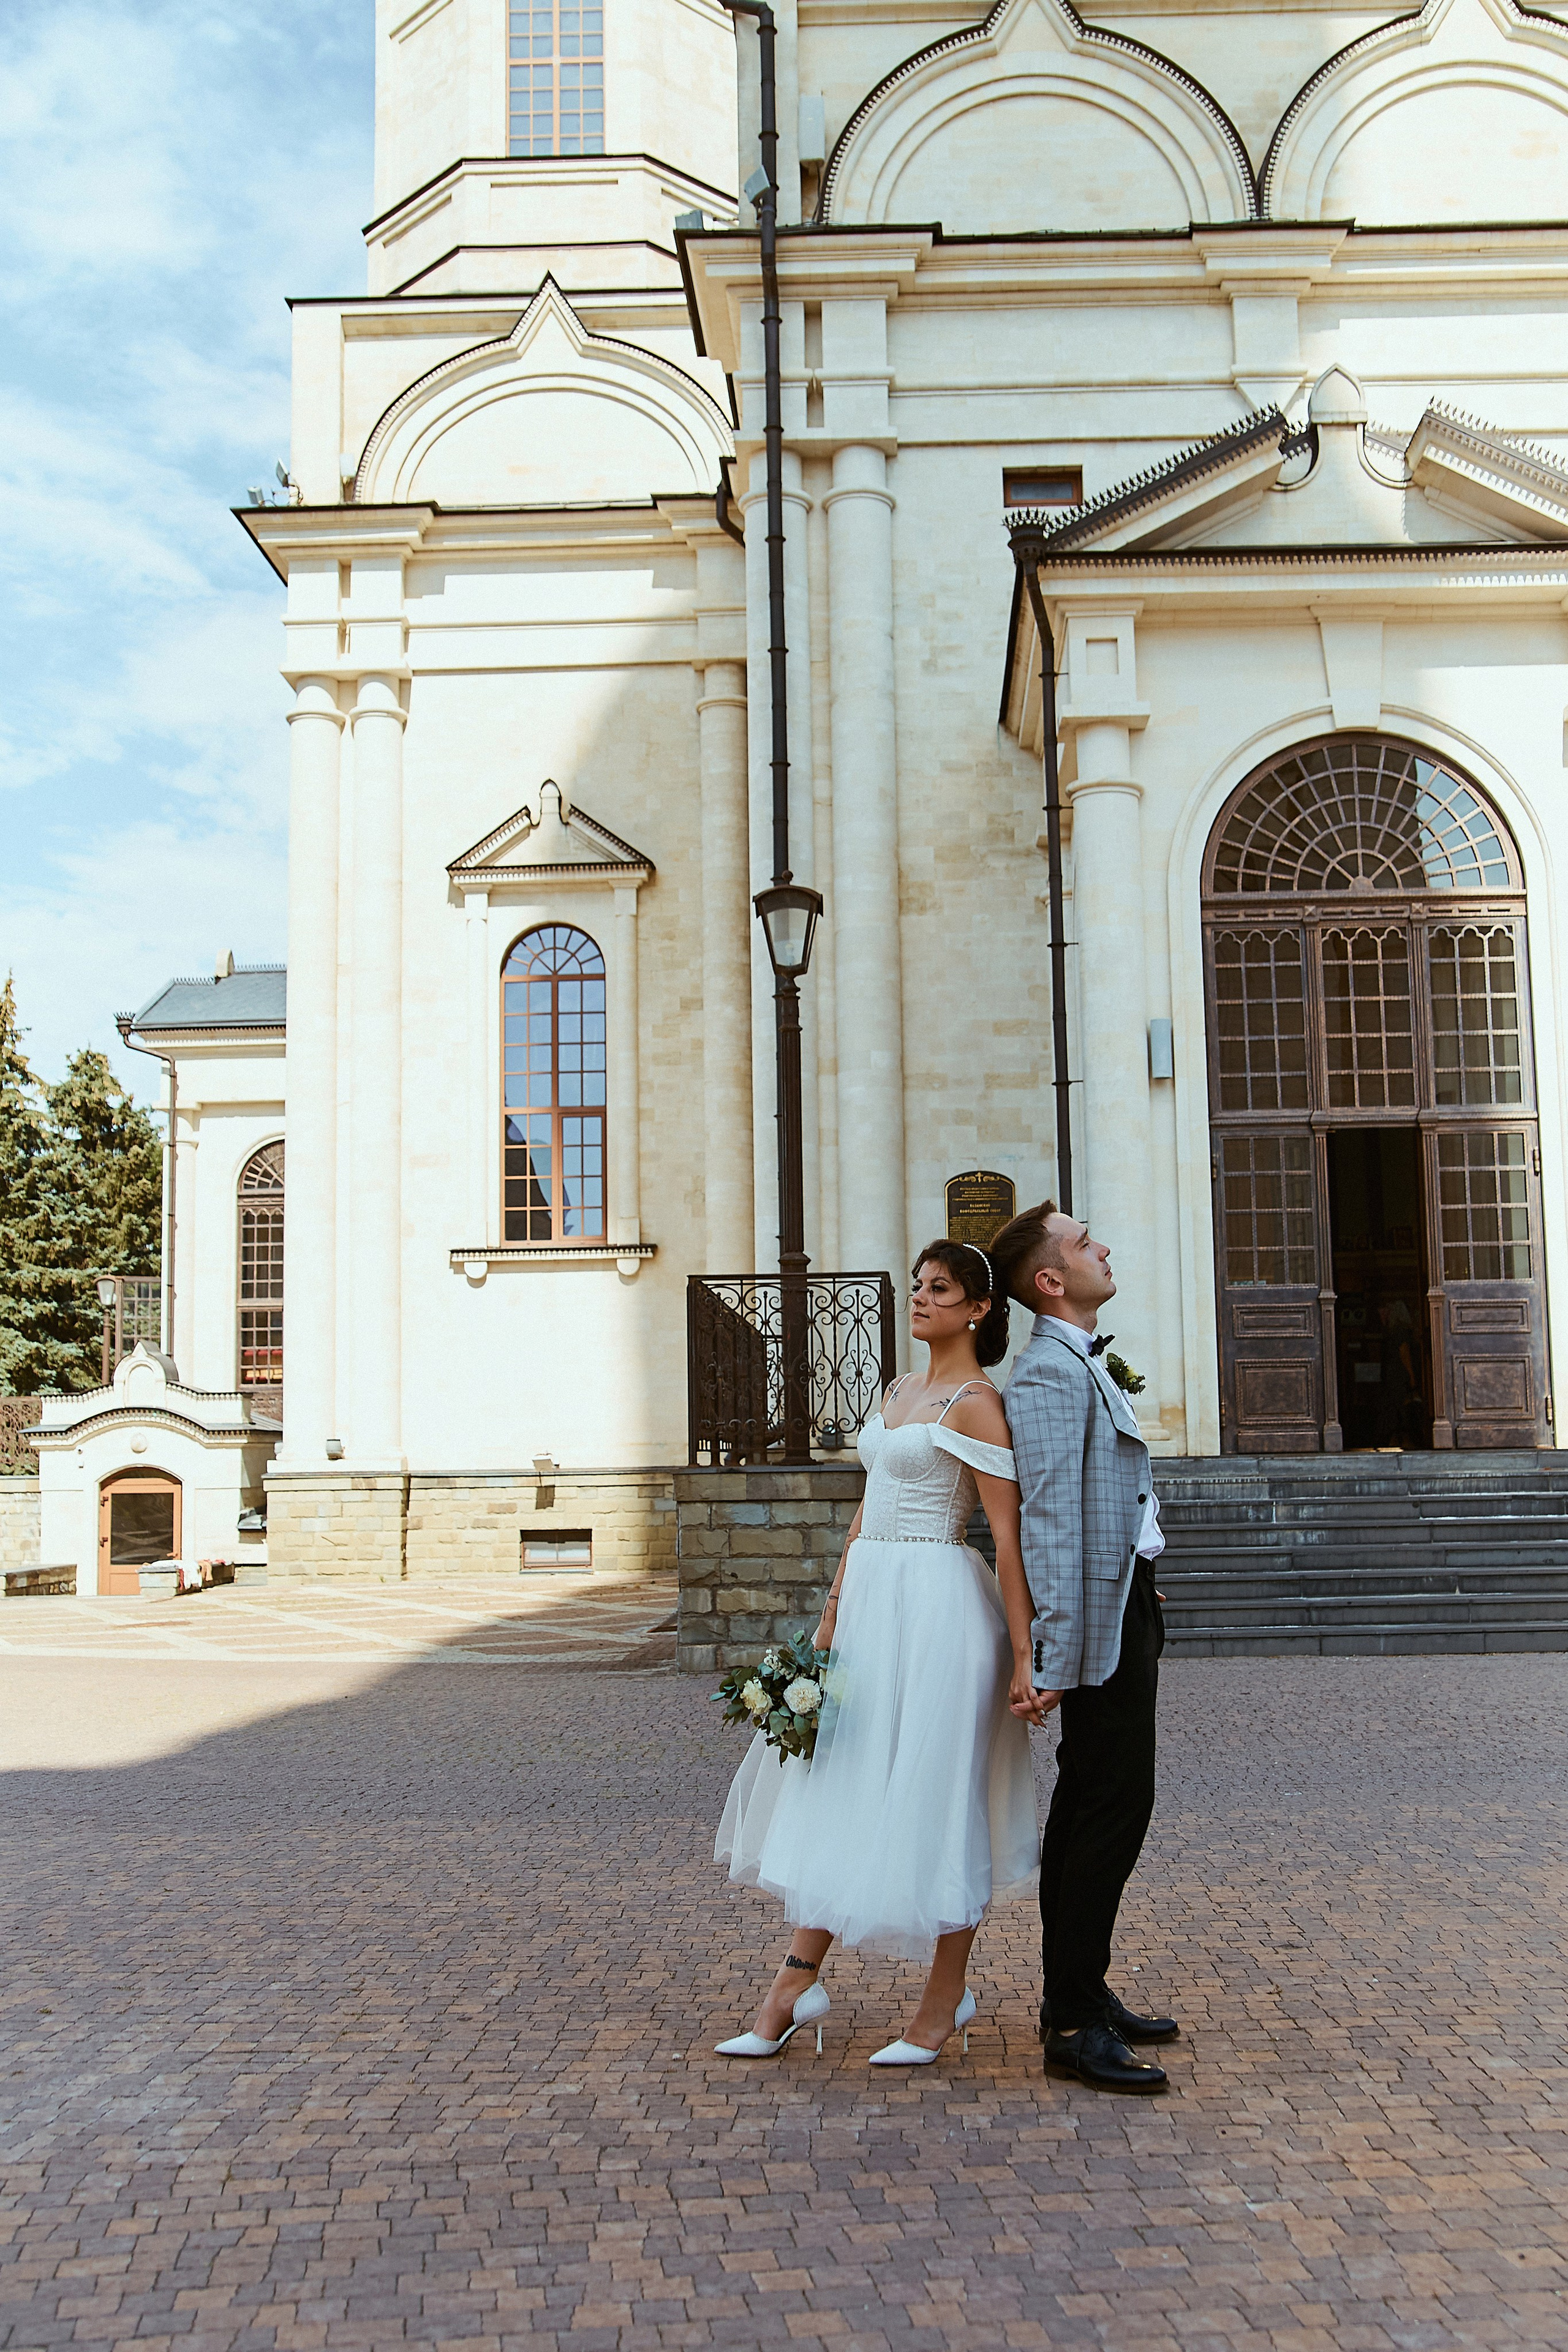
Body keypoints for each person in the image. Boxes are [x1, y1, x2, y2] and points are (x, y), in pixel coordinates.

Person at [712, 1240, 1040, 2065]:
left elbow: (1007, 1539)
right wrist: (828, 1617)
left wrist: (1028, 1654)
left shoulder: (976, 1403)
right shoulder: (897, 1390)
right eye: (919, 1286)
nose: (920, 1299)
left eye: (940, 1289)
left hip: (941, 1611)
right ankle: (793, 1985)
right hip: (871, 1609)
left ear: (979, 1309)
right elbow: (868, 1509)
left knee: (937, 1793)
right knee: (842, 1781)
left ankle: (943, 2000)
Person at [988, 1198, 1179, 2095]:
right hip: (1092, 1625)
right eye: (1080, 1240)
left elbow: (1105, 1501)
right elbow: (1051, 1518)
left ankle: (1081, 1992)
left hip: (1121, 1604)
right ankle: (1070, 2019)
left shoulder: (1078, 1365)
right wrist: (1051, 1653)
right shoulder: (1047, 1379)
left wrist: (1145, 1574)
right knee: (1110, 1805)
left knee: (1097, 1803)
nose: (1102, 1244)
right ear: (1051, 1280)